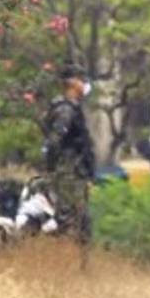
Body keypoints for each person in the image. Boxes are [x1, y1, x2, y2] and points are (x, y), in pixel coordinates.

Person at [43, 66, 96, 242]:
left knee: (80, 221)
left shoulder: (72, 108)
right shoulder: (65, 110)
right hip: (68, 172)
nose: (85, 85)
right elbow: (54, 141)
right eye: (82, 80)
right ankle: (62, 259)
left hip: (75, 171)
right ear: (73, 83)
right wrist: (53, 169)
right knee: (69, 220)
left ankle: (78, 262)